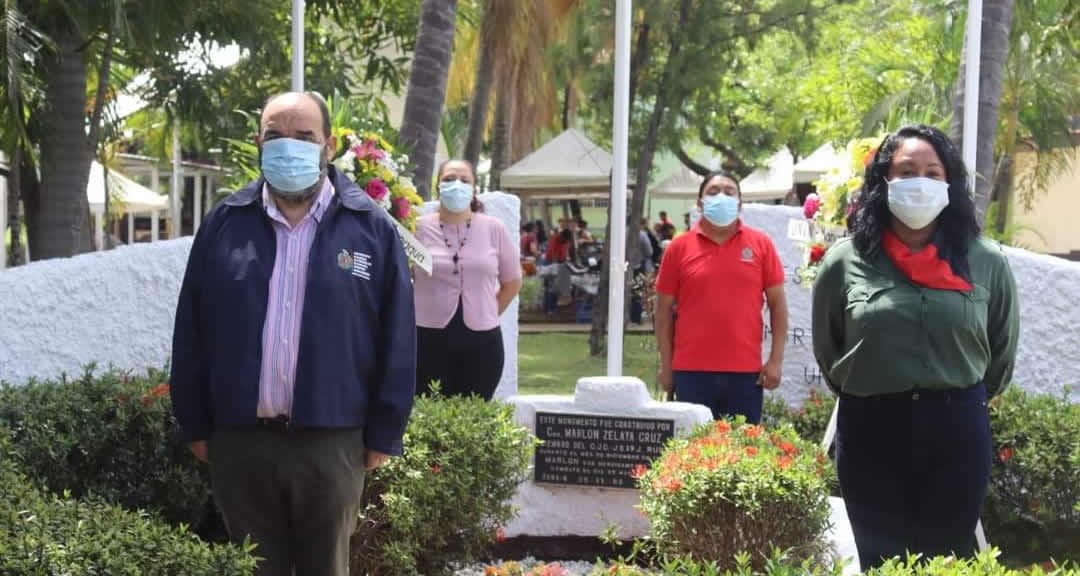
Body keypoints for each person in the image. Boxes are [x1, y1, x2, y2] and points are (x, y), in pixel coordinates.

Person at [169, 91, 415, 576]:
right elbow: (192, 329)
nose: (289, 147)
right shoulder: (224, 224)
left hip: (332, 442)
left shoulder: (370, 228)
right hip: (241, 442)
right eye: (276, 136)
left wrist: (386, 432)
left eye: (304, 137)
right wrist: (195, 423)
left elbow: (396, 338)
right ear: (258, 142)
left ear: (328, 146)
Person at [811, 125, 1020, 569]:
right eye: (906, 171)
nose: (919, 181)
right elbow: (830, 350)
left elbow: (999, 353)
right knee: (881, 559)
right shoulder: (845, 262)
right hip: (871, 428)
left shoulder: (986, 261)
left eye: (932, 171)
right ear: (883, 182)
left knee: (947, 558)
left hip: (957, 429)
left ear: (949, 183)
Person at [654, 170, 788, 423]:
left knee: (742, 455)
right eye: (713, 192)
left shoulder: (761, 244)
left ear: (739, 203)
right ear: (699, 202)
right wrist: (666, 364)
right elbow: (662, 312)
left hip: (746, 373)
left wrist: (775, 360)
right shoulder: (678, 248)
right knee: (691, 454)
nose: (721, 197)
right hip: (691, 372)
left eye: (729, 192)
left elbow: (778, 306)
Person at [413, 159, 523, 400]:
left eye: (465, 180)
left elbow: (513, 280)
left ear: (474, 189)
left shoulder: (494, 228)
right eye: (449, 179)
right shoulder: (415, 229)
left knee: (473, 420)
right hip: (426, 340)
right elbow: (402, 277)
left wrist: (490, 311)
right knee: (428, 418)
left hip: (482, 343)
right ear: (437, 186)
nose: (457, 185)